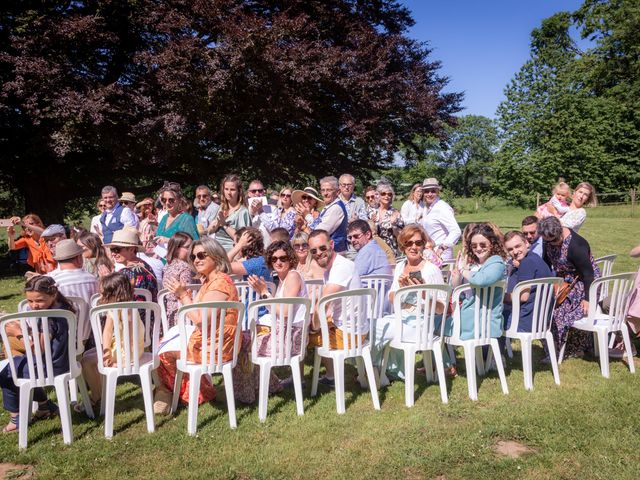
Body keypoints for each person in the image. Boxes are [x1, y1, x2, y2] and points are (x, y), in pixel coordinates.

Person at [156, 237, 251, 413]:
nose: (196, 260)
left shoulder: (219, 284)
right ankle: (182, 392)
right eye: (193, 257)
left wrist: (183, 295)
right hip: (215, 341)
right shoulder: (210, 281)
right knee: (163, 343)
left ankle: (190, 395)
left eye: (201, 255)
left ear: (215, 256)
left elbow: (199, 319)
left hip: (217, 347)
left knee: (162, 354)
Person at [372, 224, 447, 380]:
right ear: (402, 246)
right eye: (409, 243)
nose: (413, 247)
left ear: (423, 245)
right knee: (369, 325)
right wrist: (401, 288)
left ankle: (374, 370)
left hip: (421, 323)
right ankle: (377, 369)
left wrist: (424, 292)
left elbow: (441, 309)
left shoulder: (431, 270)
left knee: (371, 329)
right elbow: (392, 298)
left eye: (418, 243)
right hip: (401, 318)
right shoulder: (400, 266)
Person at [1, 276, 74, 432]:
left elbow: (38, 350)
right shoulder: (63, 308)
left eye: (39, 300)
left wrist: (19, 333)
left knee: (6, 373)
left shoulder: (48, 318)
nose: (34, 305)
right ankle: (44, 405)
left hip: (50, 367)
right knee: (16, 362)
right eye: (30, 301)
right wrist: (27, 331)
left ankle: (16, 419)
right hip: (64, 361)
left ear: (53, 294)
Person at [77, 271, 144, 410]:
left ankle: (96, 398)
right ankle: (101, 394)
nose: (100, 297)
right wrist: (105, 351)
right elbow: (107, 332)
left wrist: (120, 361)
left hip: (128, 351)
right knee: (88, 355)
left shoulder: (128, 310)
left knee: (86, 362)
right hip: (119, 346)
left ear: (116, 295)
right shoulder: (114, 307)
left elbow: (130, 337)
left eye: (103, 294)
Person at [539, 216, 600, 360]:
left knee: (560, 315)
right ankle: (558, 349)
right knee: (544, 311)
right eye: (548, 241)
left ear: (560, 231)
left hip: (584, 283)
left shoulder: (576, 245)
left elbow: (588, 274)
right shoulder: (548, 238)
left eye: (554, 240)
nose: (551, 244)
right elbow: (546, 263)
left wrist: (587, 299)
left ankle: (563, 351)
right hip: (564, 282)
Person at [248, 241, 307, 388]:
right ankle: (284, 382)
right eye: (274, 259)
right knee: (244, 338)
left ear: (290, 259)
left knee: (243, 344)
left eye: (283, 258)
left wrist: (264, 292)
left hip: (291, 339)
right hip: (288, 334)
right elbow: (276, 310)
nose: (278, 262)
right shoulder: (283, 279)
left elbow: (285, 312)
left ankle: (262, 387)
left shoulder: (293, 276)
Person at [307, 230, 362, 385]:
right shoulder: (331, 269)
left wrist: (314, 327)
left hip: (350, 333)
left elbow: (322, 303)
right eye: (314, 251)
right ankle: (331, 375)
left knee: (303, 337)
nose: (318, 253)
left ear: (331, 244)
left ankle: (299, 382)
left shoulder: (341, 266)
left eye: (322, 248)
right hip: (351, 328)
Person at [447, 223, 507, 341]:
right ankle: (446, 359)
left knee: (432, 324)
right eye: (474, 246)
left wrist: (463, 270)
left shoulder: (496, 263)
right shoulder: (471, 265)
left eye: (483, 244)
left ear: (492, 244)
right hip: (468, 317)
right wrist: (457, 275)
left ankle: (445, 359)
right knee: (432, 321)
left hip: (482, 322)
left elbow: (481, 280)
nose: (478, 248)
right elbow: (455, 289)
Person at [503, 231, 552, 333]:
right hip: (541, 320)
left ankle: (497, 349)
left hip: (524, 321)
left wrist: (499, 296)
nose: (515, 252)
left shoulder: (527, 262)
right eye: (510, 249)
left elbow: (523, 296)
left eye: (518, 246)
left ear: (526, 243)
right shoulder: (536, 258)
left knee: (491, 321)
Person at [47, 239, 98, 336]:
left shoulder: (50, 283)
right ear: (79, 258)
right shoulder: (93, 280)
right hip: (88, 338)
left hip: (58, 341)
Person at [105, 229, 158, 303]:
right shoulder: (146, 266)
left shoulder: (124, 273)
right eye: (112, 250)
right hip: (151, 312)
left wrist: (107, 279)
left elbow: (113, 299)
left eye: (117, 249)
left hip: (132, 314)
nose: (113, 253)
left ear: (131, 249)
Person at [420, 177, 461, 261]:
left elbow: (456, 231)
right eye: (427, 191)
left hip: (440, 255)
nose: (429, 194)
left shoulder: (442, 207)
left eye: (433, 191)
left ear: (438, 192)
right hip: (428, 253)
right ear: (423, 193)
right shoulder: (426, 208)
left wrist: (442, 248)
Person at [210, 174, 251, 252]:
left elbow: (243, 240)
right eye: (226, 189)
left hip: (231, 253)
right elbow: (210, 231)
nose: (228, 192)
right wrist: (217, 223)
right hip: (217, 251)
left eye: (232, 189)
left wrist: (225, 225)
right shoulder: (221, 208)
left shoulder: (243, 212)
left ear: (239, 191)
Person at [161, 233, 195, 329]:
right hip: (184, 314)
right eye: (188, 247)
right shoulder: (185, 267)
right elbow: (189, 292)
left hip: (169, 313)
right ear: (176, 249)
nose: (192, 250)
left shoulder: (167, 266)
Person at [369, 182, 404, 255]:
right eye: (383, 194)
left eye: (389, 194)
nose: (386, 196)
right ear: (378, 195)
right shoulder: (372, 212)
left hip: (390, 251)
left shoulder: (395, 213)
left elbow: (401, 237)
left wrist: (394, 225)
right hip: (374, 251)